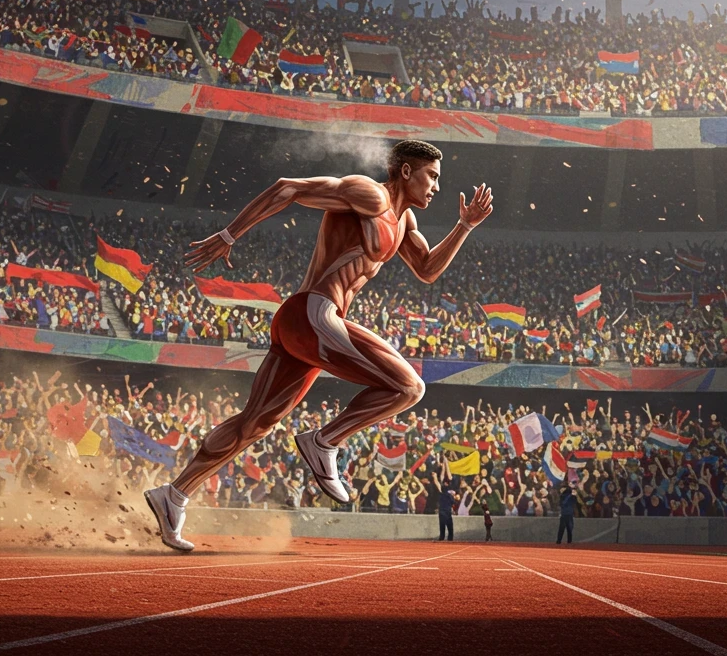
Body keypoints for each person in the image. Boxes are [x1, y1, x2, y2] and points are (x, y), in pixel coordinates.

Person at [144, 139, 494, 551]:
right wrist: (229, 234)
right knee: (409, 387)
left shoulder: (404, 225)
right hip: (315, 313)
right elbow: (286, 187)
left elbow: (429, 270)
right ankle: (324, 441)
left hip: (306, 329)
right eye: (432, 176)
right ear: (405, 171)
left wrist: (465, 226)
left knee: (255, 423)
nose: (436, 186)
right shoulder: (370, 193)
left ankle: (175, 494)